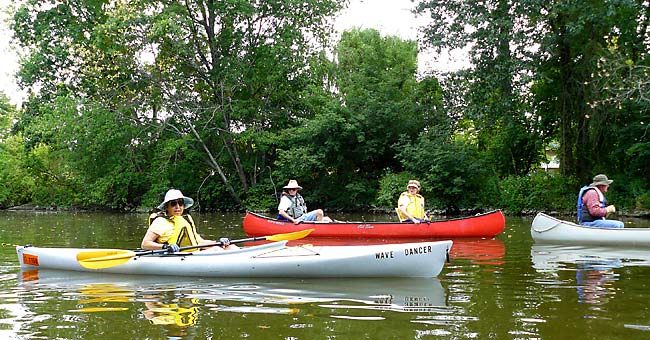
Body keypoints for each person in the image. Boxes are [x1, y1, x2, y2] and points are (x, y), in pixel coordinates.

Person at [141, 189, 239, 252]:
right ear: (167, 206)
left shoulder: (186, 219)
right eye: (173, 204)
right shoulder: (160, 222)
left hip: (192, 252)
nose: (178, 207)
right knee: (217, 250)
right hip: (173, 256)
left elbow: (198, 241)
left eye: (180, 203)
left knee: (230, 247)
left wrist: (218, 242)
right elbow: (145, 244)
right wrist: (165, 247)